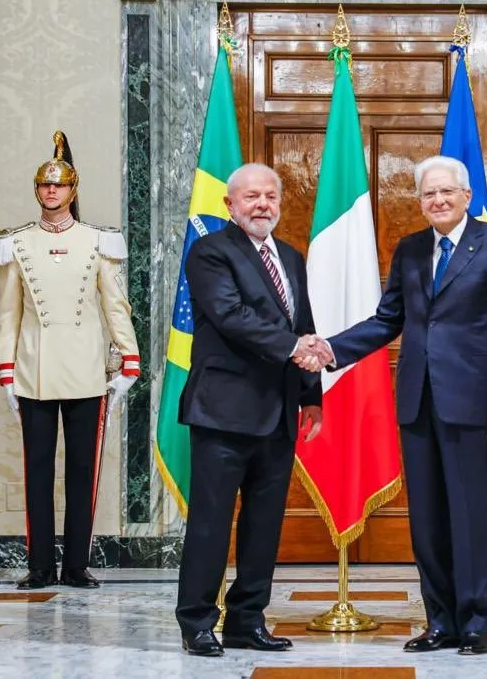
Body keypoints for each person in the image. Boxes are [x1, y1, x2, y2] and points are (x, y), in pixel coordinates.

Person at [300, 155, 487, 656]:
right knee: (427, 519)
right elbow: (386, 321)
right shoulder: (410, 249)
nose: (438, 201)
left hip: (474, 403)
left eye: (447, 192)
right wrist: (331, 349)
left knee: (470, 516)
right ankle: (440, 621)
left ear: (467, 196)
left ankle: (475, 623)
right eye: (428, 194)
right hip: (418, 402)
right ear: (420, 201)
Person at [174, 162, 324, 657]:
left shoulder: (291, 257)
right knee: (212, 523)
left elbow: (302, 322)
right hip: (222, 411)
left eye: (270, 196)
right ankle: (197, 622)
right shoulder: (210, 251)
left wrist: (311, 395)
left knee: (264, 526)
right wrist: (295, 348)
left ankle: (247, 620)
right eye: (251, 197)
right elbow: (231, 316)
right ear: (230, 205)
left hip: (277, 412)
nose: (262, 205)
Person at [0, 131, 140, 590]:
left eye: (58, 185)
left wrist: (129, 360)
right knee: (37, 471)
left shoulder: (99, 241)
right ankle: (39, 567)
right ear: (37, 190)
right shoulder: (15, 243)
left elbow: (116, 305)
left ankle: (76, 565)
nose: (50, 192)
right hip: (34, 371)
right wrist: (6, 372)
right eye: (43, 185)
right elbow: (7, 314)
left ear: (73, 191)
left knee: (82, 472)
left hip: (88, 370)